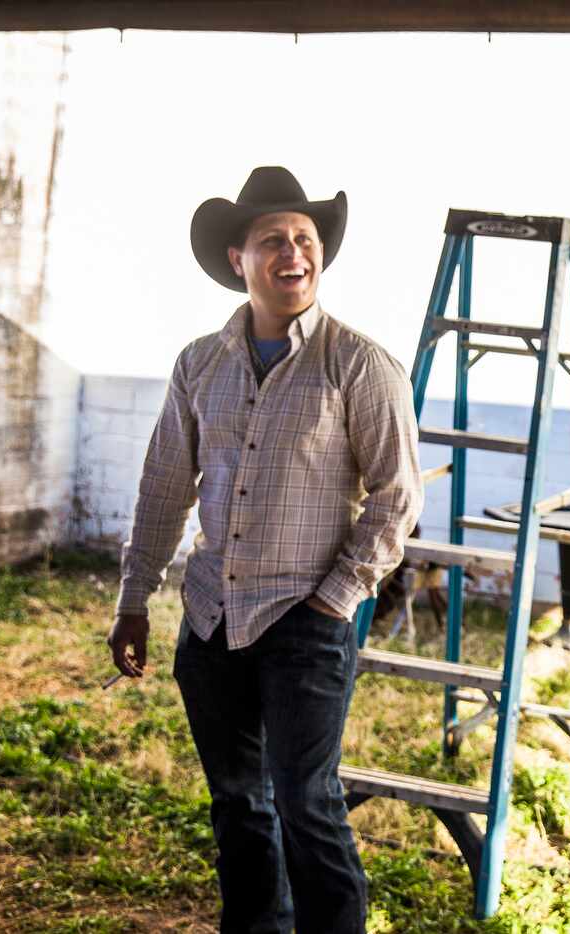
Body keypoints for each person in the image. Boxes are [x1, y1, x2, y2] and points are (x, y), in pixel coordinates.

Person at [105, 166, 423, 933]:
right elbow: (163, 487)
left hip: (304, 623)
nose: (294, 252)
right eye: (273, 240)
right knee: (238, 806)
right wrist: (133, 598)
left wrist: (333, 602)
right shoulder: (199, 363)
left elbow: (397, 496)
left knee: (307, 807)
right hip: (212, 621)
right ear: (236, 261)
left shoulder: (358, 363)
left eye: (305, 239)